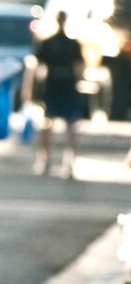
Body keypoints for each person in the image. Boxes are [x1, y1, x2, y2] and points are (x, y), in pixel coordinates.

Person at [26, 10, 85, 178]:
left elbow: (35, 68)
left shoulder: (54, 43)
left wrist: (30, 89)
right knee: (62, 125)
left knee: (59, 125)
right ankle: (52, 159)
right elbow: (79, 68)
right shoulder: (66, 44)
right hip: (61, 85)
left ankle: (60, 161)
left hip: (56, 85)